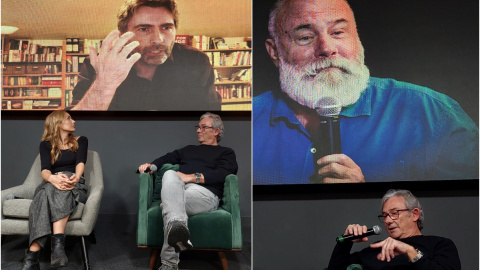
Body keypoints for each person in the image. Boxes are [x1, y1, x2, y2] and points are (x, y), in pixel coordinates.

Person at [252, 0, 479, 184]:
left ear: (357, 38)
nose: (327, 48)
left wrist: (366, 194)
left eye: (338, 32)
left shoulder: (434, 114)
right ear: (274, 52)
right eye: (305, 37)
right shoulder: (251, 122)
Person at [71, 0, 221, 111]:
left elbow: (213, 121)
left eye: (166, 27)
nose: (158, 39)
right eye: (144, 28)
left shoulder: (195, 61)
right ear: (124, 34)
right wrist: (103, 85)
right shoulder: (99, 64)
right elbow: (74, 130)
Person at [137, 112, 238, 270]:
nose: (198, 130)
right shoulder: (189, 149)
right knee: (170, 174)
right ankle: (176, 229)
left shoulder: (226, 152)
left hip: (205, 195)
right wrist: (151, 166)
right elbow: (166, 158)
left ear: (216, 131)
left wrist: (191, 177)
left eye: (204, 127)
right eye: (198, 127)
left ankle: (169, 265)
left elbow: (224, 173)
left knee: (168, 205)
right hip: (179, 192)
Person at [328, 189, 461, 269]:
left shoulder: (439, 245)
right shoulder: (377, 248)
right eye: (385, 215)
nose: (387, 220)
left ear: (414, 214)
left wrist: (409, 251)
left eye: (394, 213)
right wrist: (345, 242)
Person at [22, 110, 88, 270]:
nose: (73, 121)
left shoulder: (81, 140)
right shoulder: (46, 145)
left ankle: (32, 258)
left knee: (55, 188)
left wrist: (75, 178)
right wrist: (53, 179)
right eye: (68, 118)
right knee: (45, 192)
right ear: (58, 123)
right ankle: (57, 248)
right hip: (52, 182)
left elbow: (80, 163)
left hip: (74, 183)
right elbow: (45, 170)